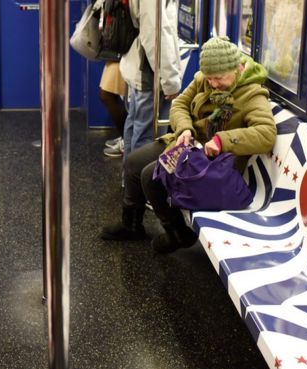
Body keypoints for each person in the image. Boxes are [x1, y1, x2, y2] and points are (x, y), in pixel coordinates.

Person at [100, 36, 277, 253]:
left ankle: (178, 234)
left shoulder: (252, 94)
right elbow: (180, 104)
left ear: (238, 67)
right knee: (133, 163)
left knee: (150, 176)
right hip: (188, 143)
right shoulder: (204, 78)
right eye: (209, 79)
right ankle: (132, 226)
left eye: (218, 79)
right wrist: (185, 128)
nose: (212, 84)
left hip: (213, 163)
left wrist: (223, 141)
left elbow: (266, 133)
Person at [118, 0, 182, 159]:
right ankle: (140, 181)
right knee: (147, 138)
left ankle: (130, 179)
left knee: (134, 127)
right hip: (150, 73)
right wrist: (170, 81)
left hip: (141, 65)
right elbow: (155, 34)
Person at [100, 60, 128, 158]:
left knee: (107, 95)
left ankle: (126, 140)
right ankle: (125, 137)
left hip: (124, 54)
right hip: (116, 55)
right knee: (107, 94)